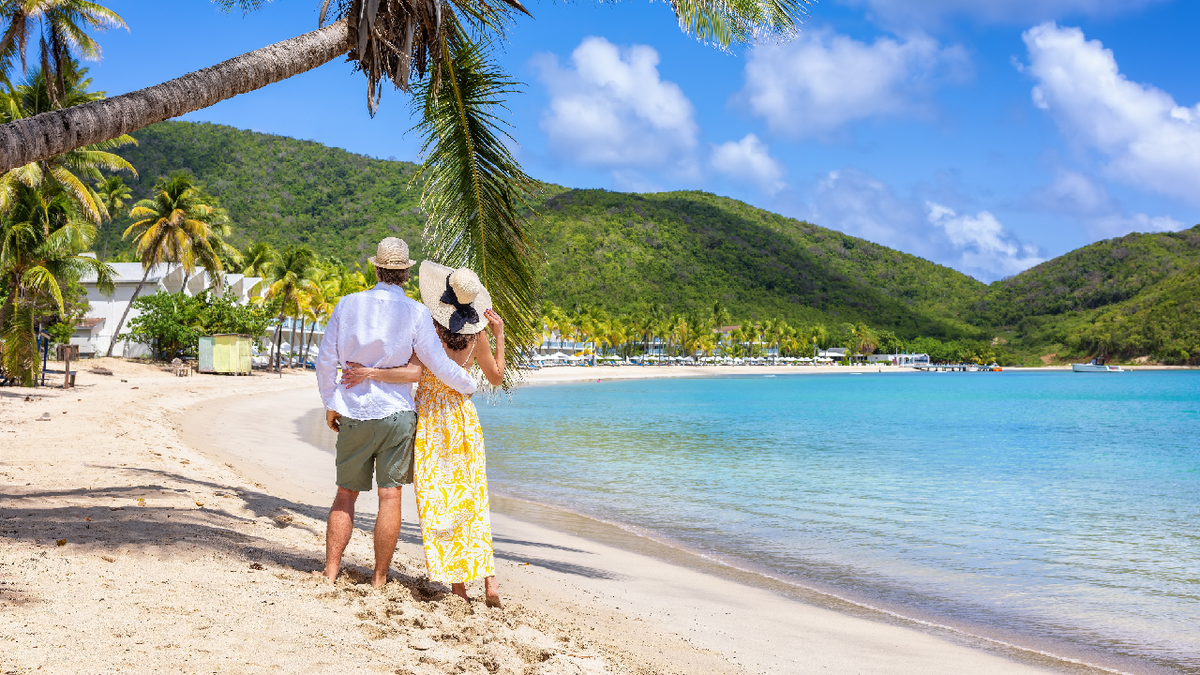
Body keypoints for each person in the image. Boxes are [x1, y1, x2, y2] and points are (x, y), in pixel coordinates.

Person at [314, 238, 477, 588]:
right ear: (404, 273)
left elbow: (325, 360)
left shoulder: (347, 304)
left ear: (376, 268)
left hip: (355, 410)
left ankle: (330, 571)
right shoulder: (416, 312)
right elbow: (437, 364)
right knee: (390, 496)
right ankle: (379, 578)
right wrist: (469, 385)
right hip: (397, 415)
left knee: (345, 493)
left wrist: (332, 402)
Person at [342, 261, 505, 607]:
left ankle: (459, 587)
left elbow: (413, 373)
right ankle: (488, 580)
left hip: (431, 422)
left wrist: (372, 373)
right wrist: (499, 335)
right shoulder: (476, 337)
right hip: (462, 421)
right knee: (472, 498)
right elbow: (495, 378)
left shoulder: (427, 329)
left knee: (439, 502)